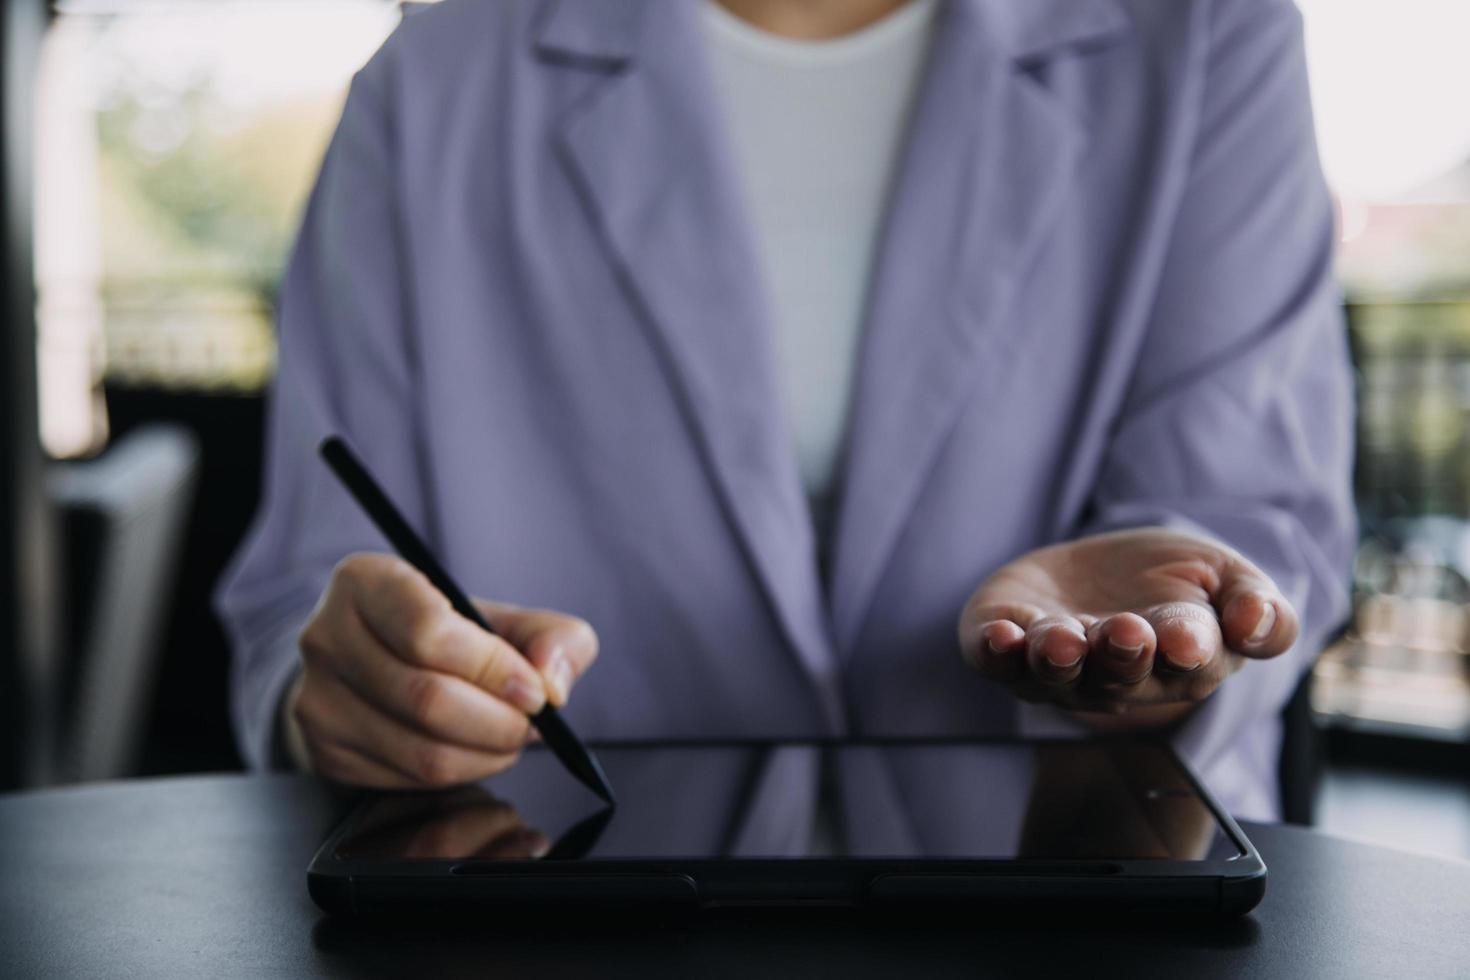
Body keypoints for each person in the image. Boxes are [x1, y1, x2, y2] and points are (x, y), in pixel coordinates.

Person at [217, 0, 1354, 821]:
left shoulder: (1209, 30)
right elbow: (305, 596)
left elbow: (1251, 504)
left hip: (1085, 913)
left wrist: (1168, 620)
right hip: (564, 911)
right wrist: (343, 692)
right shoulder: (433, 76)